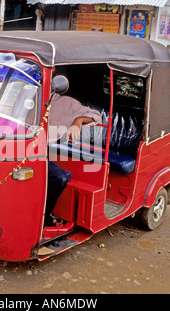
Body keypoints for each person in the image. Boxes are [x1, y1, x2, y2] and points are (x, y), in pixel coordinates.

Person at [45, 81, 102, 225]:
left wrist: (79, 120)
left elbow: (95, 115)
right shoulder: (27, 96)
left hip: (40, 152)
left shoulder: (65, 102)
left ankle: (45, 217)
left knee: (61, 177)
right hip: (22, 146)